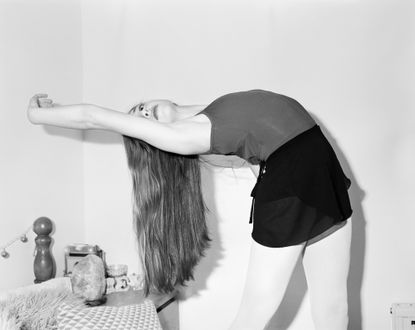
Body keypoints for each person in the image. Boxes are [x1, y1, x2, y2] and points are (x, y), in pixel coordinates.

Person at [27, 89, 353, 330]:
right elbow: (93, 117)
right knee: (256, 312)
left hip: (319, 166)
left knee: (334, 308)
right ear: (154, 140)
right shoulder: (181, 136)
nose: (143, 111)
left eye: (141, 107)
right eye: (138, 119)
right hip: (296, 177)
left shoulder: (206, 113)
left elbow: (260, 148)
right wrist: (38, 114)